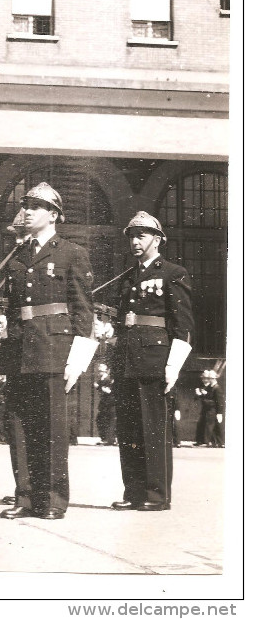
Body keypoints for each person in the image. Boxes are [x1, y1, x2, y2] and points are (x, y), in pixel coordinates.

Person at [0, 182, 98, 520]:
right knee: (19, 425)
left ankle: (52, 500)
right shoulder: (17, 256)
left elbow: (82, 309)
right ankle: (25, 497)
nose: (27, 211)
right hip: (20, 347)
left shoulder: (71, 252)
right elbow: (11, 309)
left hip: (55, 347)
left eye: (36, 206)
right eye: (26, 205)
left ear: (53, 214)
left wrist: (78, 358)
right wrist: (3, 353)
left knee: (52, 427)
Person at [111, 211, 194, 512]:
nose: (135, 241)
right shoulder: (128, 276)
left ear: (157, 239)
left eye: (141, 235)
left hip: (155, 359)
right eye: (132, 236)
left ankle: (157, 495)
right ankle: (133, 491)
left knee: (153, 429)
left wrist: (173, 365)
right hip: (127, 358)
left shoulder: (173, 273)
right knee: (129, 429)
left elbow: (183, 325)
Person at [194, 370, 224, 447]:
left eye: (209, 378)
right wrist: (202, 394)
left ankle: (209, 442)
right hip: (209, 409)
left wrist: (220, 413)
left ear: (213, 379)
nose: (207, 380)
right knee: (210, 426)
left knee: (210, 426)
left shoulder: (217, 388)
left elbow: (219, 402)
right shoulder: (211, 387)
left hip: (212, 410)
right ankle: (213, 442)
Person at [93, 364, 117, 446]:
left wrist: (99, 387)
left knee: (110, 421)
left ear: (107, 370)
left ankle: (109, 440)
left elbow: (109, 391)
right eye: (99, 370)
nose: (100, 372)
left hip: (111, 403)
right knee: (100, 419)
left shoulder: (109, 379)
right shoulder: (101, 379)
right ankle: (105, 438)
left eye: (102, 370)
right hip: (104, 403)